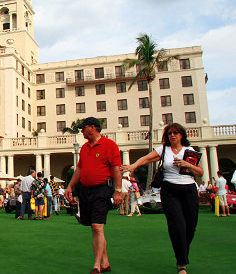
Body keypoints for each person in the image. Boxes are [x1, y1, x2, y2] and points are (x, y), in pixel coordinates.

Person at [121, 123, 203, 274]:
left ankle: (183, 251)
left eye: (176, 133)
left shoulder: (189, 151)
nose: (173, 135)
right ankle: (182, 263)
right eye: (170, 133)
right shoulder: (164, 150)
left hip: (189, 190)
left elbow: (200, 172)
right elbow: (146, 159)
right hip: (170, 190)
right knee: (177, 226)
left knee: (190, 227)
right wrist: (133, 166)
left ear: (181, 135)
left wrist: (186, 164)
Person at [65, 117, 122, 274]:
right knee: (95, 228)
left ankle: (96, 266)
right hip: (85, 190)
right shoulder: (84, 148)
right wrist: (70, 186)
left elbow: (116, 169)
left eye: (83, 128)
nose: (81, 131)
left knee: (97, 226)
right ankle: (106, 262)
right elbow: (79, 170)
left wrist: (118, 190)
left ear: (93, 128)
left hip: (102, 190)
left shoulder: (110, 145)